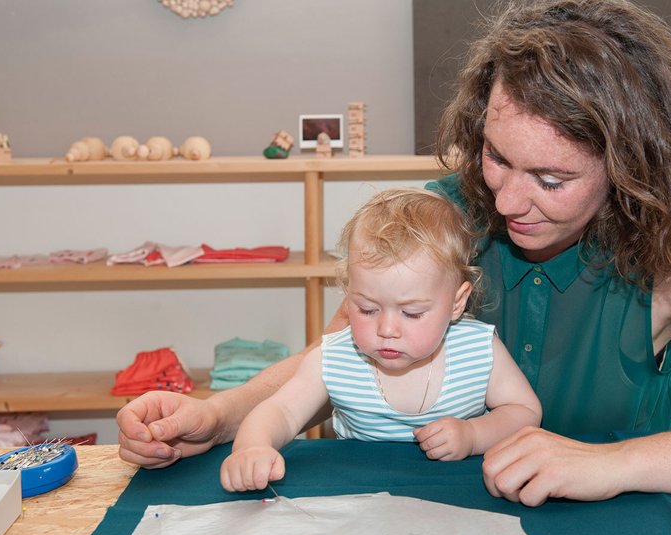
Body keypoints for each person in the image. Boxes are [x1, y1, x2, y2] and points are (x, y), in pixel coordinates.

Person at [117, 0, 671, 505]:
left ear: (631, 167)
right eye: (498, 157)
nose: (505, 201)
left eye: (553, 178)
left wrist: (613, 464)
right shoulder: (442, 214)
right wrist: (217, 419)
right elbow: (335, 355)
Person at [219, 187, 541, 491]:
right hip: (358, 499)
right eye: (367, 309)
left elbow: (525, 410)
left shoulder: (478, 350)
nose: (387, 329)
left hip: (458, 499)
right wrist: (253, 447)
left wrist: (473, 434)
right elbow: (281, 411)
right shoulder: (334, 358)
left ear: (456, 303)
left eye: (412, 313)